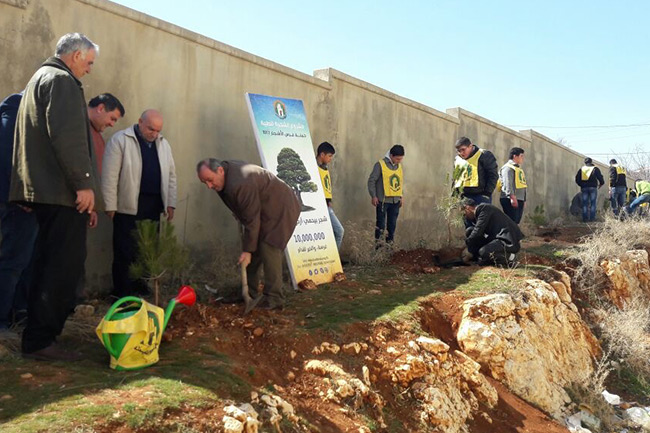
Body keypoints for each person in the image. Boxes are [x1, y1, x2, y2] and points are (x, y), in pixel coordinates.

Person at [10, 33, 102, 361]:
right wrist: (84, 184)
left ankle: (37, 336)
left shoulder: (39, 77)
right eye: (89, 62)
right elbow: (68, 139)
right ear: (76, 56)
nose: (89, 69)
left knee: (45, 261)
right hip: (61, 193)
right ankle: (41, 341)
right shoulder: (62, 81)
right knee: (62, 266)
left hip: (44, 190)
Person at [196, 158, 300, 310]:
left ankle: (274, 299)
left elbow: (252, 219)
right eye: (204, 182)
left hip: (281, 207)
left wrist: (247, 251)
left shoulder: (240, 183)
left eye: (210, 180)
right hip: (263, 208)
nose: (209, 186)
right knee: (253, 249)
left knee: (268, 248)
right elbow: (246, 210)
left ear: (220, 171)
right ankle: (248, 292)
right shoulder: (225, 177)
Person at [102, 109, 177, 298]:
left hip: (153, 205)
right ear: (140, 122)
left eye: (158, 130)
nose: (155, 134)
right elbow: (109, 176)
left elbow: (171, 176)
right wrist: (110, 205)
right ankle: (122, 293)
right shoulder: (121, 140)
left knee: (146, 250)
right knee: (125, 251)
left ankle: (141, 289)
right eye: (151, 129)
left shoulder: (163, 144)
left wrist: (171, 202)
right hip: (127, 205)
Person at [0, 92, 38, 336]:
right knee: (14, 262)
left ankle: (18, 313)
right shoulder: (16, 106)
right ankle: (2, 320)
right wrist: (19, 193)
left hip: (33, 203)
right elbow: (8, 155)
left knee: (28, 260)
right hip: (18, 201)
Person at [461, 198, 523, 266]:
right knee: (470, 231)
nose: (464, 216)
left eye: (464, 213)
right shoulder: (477, 216)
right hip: (496, 238)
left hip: (508, 240)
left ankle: (511, 257)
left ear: (468, 208)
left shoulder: (484, 209)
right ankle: (478, 257)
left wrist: (466, 246)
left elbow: (478, 230)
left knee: (484, 251)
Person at [452, 137, 498, 227]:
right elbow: (456, 178)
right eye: (459, 151)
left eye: (463, 150)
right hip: (464, 197)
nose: (461, 153)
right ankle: (472, 241)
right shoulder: (458, 159)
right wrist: (454, 195)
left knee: (483, 225)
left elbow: (493, 175)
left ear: (470, 146)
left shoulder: (484, 155)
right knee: (469, 226)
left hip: (481, 196)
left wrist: (487, 193)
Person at [368, 144, 405, 245]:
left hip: (395, 201)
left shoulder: (399, 166)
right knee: (380, 226)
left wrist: (401, 196)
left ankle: (389, 249)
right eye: (397, 159)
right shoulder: (380, 164)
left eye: (401, 159)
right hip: (383, 201)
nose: (399, 161)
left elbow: (400, 181)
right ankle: (378, 250)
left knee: (392, 226)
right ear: (391, 155)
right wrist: (373, 196)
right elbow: (372, 181)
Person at [87, 93, 125, 176]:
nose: (112, 124)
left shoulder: (96, 134)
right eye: (112, 119)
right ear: (100, 108)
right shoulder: (76, 127)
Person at [316, 141, 344, 251]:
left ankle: (333, 260)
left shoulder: (324, 168)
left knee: (338, 231)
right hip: (319, 206)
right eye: (329, 156)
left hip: (326, 206)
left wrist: (329, 201)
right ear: (322, 154)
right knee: (339, 231)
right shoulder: (313, 168)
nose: (330, 159)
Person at [499, 147, 527, 224]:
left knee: (516, 222)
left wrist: (524, 200)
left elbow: (523, 185)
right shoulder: (507, 168)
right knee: (511, 222)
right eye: (521, 156)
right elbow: (508, 183)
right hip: (510, 199)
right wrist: (512, 196)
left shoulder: (518, 169)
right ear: (515, 156)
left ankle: (513, 236)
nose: (522, 158)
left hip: (519, 199)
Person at [574, 157, 604, 222]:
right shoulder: (595, 168)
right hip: (593, 188)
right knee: (593, 203)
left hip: (584, 188)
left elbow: (577, 179)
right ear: (591, 162)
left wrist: (581, 185)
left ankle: (585, 219)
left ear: (585, 163)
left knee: (585, 203)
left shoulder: (581, 169)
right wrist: (601, 183)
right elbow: (600, 177)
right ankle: (592, 218)